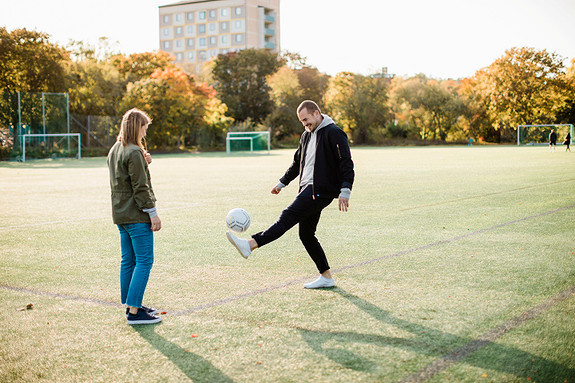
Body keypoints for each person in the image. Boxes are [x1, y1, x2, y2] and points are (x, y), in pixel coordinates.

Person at [226, 100, 355, 289]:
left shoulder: (334, 133)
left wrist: (345, 190)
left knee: (287, 217)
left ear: (317, 113)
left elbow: (346, 163)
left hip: (320, 190)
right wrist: (282, 183)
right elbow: (297, 164)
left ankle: (251, 245)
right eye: (302, 122)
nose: (305, 124)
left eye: (306, 120)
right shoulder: (306, 136)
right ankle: (326, 277)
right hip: (307, 189)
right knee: (306, 234)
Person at [107, 108, 162, 325]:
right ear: (137, 127)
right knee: (145, 261)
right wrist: (153, 214)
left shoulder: (115, 149)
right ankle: (134, 311)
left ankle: (132, 304)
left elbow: (124, 177)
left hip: (120, 215)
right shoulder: (134, 152)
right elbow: (140, 187)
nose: (145, 132)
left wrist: (143, 162)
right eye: (144, 127)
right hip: (136, 215)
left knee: (128, 260)